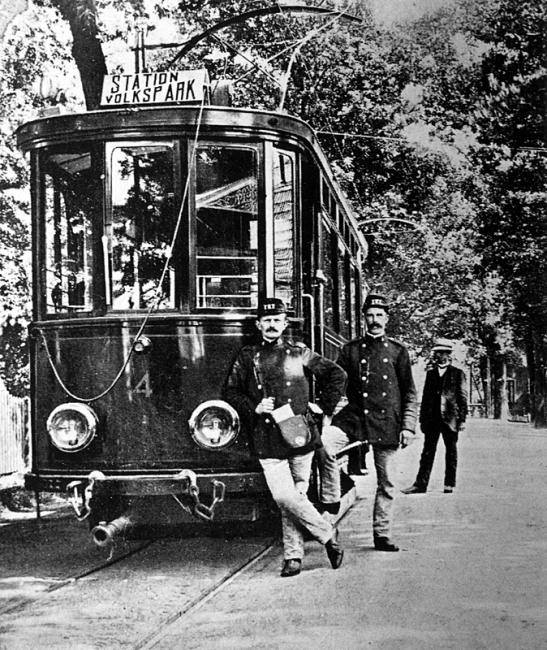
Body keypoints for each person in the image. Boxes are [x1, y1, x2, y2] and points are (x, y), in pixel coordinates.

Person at [222, 297, 346, 577]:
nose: (271, 325)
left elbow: (337, 375)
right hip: (267, 437)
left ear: (285, 323)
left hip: (299, 434)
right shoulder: (246, 356)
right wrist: (253, 406)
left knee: (297, 495)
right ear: (258, 324)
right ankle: (328, 535)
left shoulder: (299, 352)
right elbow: (230, 392)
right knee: (284, 496)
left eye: (276, 320)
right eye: (266, 320)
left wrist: (322, 407)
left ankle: (293, 557)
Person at [322, 292, 418, 552]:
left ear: (387, 319)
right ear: (364, 318)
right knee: (324, 445)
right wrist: (324, 411)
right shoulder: (350, 350)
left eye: (379, 315)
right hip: (355, 418)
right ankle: (331, 501)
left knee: (387, 482)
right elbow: (335, 381)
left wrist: (408, 426)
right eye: (370, 315)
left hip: (387, 421)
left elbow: (409, 392)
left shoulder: (399, 352)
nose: (374, 320)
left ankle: (382, 534)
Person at [402, 338, 468, 495]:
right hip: (432, 420)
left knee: (451, 452)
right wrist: (422, 419)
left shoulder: (458, 374)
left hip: (450, 419)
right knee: (427, 452)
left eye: (445, 353)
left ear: (449, 355)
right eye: (438, 353)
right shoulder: (431, 374)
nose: (441, 356)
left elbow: (462, 397)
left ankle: (449, 484)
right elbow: (426, 398)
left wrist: (462, 419)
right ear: (435, 355)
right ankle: (420, 485)